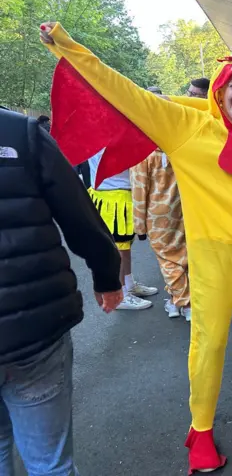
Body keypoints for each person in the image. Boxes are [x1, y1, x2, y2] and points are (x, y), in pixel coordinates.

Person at [41, 23, 232, 473]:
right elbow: (128, 93)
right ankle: (202, 429)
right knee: (208, 345)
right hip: (213, 263)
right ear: (218, 93)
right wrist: (71, 47)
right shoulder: (186, 127)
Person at [0, 108, 123, 476]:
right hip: (34, 332)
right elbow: (79, 213)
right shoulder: (21, 133)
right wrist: (107, 278)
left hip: (33, 331)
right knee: (50, 463)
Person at [86, 148, 159, 310]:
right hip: (113, 197)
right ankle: (120, 295)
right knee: (117, 249)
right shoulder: (105, 136)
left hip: (118, 195)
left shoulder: (101, 133)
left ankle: (129, 284)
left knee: (124, 247)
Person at [131, 146, 190, 320]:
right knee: (182, 257)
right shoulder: (178, 148)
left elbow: (139, 192)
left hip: (156, 216)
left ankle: (185, 304)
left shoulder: (141, 155)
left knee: (167, 261)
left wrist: (139, 226)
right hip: (180, 211)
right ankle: (173, 301)